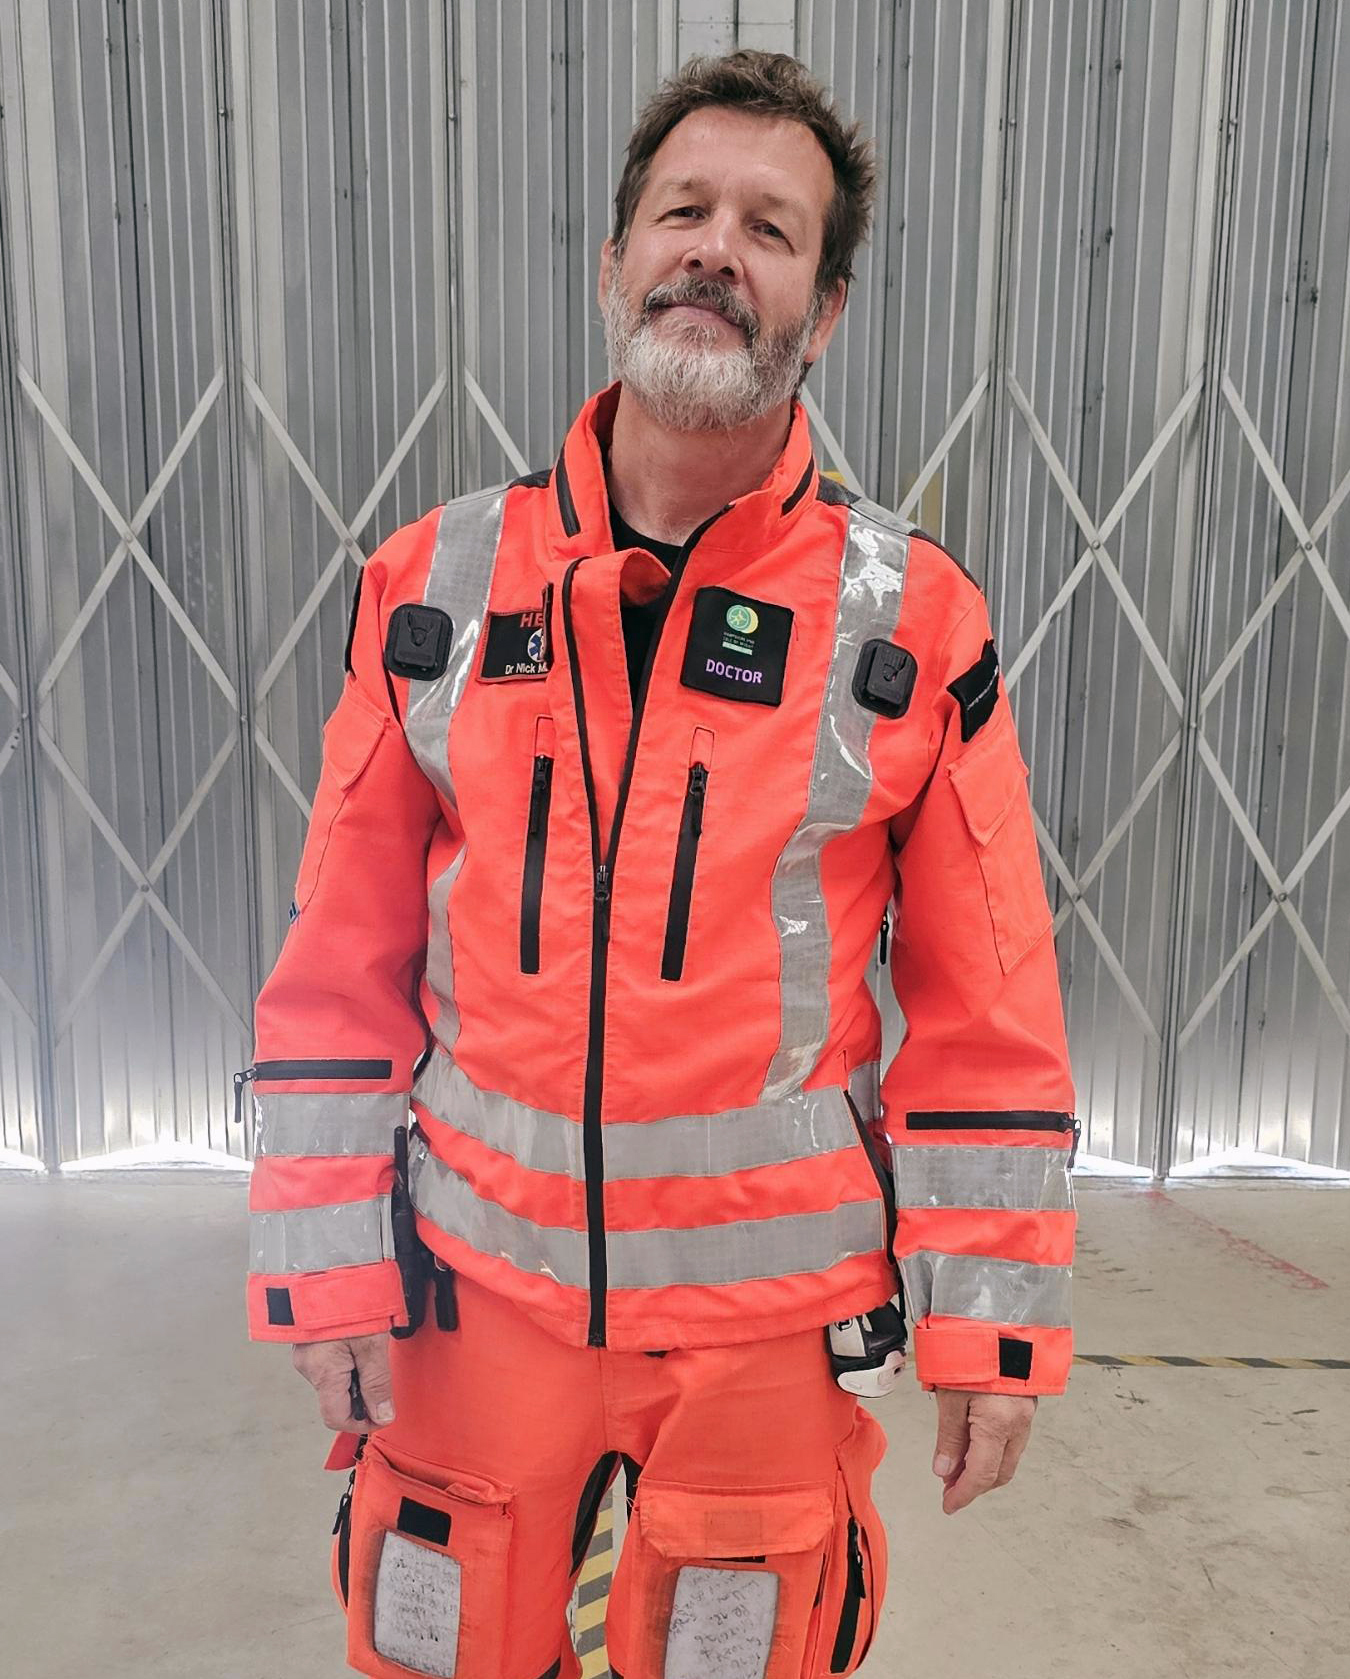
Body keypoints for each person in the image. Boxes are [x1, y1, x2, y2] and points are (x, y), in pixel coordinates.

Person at [242, 49, 1077, 1679]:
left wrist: (991, 1326)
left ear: (819, 310)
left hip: (765, 1339)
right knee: (442, 1646)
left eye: (769, 229)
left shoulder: (908, 625)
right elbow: (337, 967)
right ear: (614, 260)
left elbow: (988, 1000)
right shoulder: (437, 590)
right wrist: (321, 1264)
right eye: (681, 211)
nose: (714, 248)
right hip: (473, 1303)